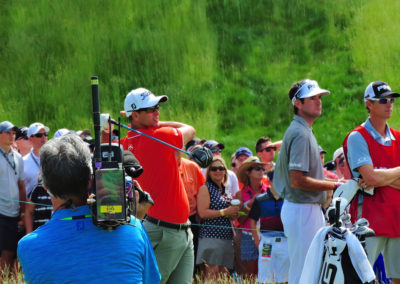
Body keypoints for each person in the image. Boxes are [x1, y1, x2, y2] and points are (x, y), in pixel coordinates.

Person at [17, 134, 160, 283]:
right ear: (91, 180)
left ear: (45, 186)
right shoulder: (134, 228)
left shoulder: (28, 246)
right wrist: (136, 220)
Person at [121, 87, 195, 284]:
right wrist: (158, 124)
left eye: (157, 108)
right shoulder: (160, 135)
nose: (157, 112)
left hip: (180, 231)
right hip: (165, 232)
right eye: (151, 109)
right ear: (135, 115)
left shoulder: (126, 141)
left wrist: (144, 122)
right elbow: (189, 129)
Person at [273, 79, 340, 284]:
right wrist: (335, 185)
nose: (318, 101)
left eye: (319, 97)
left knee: (307, 270)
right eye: (312, 98)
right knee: (303, 272)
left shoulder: (303, 130)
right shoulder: (301, 133)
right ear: (298, 103)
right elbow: (297, 180)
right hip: (302, 208)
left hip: (303, 208)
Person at [344, 81, 400, 283]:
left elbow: (374, 178)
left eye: (391, 99)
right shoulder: (357, 137)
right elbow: (370, 178)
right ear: (369, 104)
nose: (389, 104)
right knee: (360, 278)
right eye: (383, 100)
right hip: (367, 221)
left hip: (397, 219)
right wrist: (393, 174)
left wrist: (379, 176)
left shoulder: (398, 137)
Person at [196, 156, 239, 281]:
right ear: (209, 172)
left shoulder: (226, 190)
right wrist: (224, 211)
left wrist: (233, 213)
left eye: (221, 168)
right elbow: (202, 213)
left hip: (226, 237)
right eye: (214, 168)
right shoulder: (206, 188)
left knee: (224, 275)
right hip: (211, 236)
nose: (218, 171)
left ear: (225, 171)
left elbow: (227, 213)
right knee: (211, 273)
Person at [0, 121, 27, 275]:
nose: (12, 136)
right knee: (6, 253)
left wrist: (23, 211)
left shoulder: (18, 157)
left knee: (11, 252)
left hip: (14, 212)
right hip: (1, 211)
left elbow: (21, 186)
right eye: (7, 132)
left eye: (13, 133)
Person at [236, 156, 269, 277]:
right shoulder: (240, 194)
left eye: (262, 168)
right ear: (248, 172)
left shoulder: (269, 191)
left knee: (267, 271)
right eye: (257, 168)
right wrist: (250, 204)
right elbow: (240, 219)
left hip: (267, 236)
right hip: (248, 236)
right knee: (250, 275)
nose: (261, 171)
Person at [248, 185, 288, 284]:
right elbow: (252, 220)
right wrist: (257, 242)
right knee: (265, 275)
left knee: (285, 276)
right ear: (270, 181)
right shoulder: (260, 199)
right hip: (267, 242)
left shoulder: (289, 199)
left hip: (285, 242)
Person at [176, 149, 205, 271]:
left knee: (193, 262)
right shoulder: (161, 165)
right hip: (169, 220)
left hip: (192, 220)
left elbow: (202, 193)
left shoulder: (192, 167)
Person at [23, 122, 49, 197]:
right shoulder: (23, 162)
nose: (44, 137)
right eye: (39, 135)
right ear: (30, 138)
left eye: (45, 134)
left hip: (52, 205)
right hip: (32, 205)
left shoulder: (53, 158)